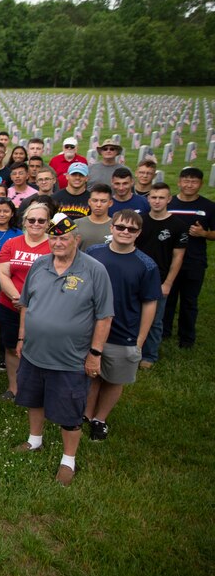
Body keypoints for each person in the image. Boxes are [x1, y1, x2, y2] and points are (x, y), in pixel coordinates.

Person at [13, 213, 113, 486]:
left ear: (76, 240)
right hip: (34, 351)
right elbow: (27, 305)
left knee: (69, 411)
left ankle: (68, 460)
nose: (58, 243)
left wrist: (95, 353)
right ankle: (35, 441)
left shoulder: (94, 270)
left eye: (64, 238)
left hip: (71, 357)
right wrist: (22, 338)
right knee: (33, 398)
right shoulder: (40, 265)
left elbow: (104, 317)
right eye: (54, 238)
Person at [83, 211, 160, 441]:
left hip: (124, 331)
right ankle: (85, 415)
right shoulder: (93, 253)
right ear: (111, 228)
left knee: (114, 379)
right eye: (121, 227)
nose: (125, 232)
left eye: (132, 229)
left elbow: (149, 304)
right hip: (91, 328)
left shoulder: (146, 265)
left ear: (139, 233)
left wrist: (140, 340)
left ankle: (101, 419)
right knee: (92, 374)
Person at [0, 201, 53, 400]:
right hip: (10, 304)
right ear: (24, 221)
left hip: (43, 308)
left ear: (48, 223)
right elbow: (2, 273)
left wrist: (30, 301)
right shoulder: (12, 243)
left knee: (40, 349)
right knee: (12, 347)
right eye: (31, 220)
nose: (36, 223)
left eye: (41, 220)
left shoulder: (54, 245)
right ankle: (14, 388)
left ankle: (39, 388)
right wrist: (17, 298)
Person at [136, 182, 187, 368]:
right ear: (148, 199)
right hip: (137, 276)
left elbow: (178, 256)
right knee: (134, 315)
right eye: (153, 197)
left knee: (155, 319)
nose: (157, 201)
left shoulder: (177, 225)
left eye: (161, 198)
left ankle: (149, 355)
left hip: (160, 277)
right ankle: (133, 351)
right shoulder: (140, 221)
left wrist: (168, 283)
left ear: (169, 199)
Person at [164, 166, 215, 349]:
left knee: (189, 301)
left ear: (200, 184)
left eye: (194, 182)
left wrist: (204, 233)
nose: (189, 185)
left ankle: (186, 337)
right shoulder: (169, 204)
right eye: (186, 181)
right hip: (168, 260)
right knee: (167, 298)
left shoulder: (208, 207)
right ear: (179, 182)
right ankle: (164, 331)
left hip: (194, 260)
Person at [74, 184, 114, 250]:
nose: (98, 205)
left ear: (110, 203)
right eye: (95, 200)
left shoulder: (117, 226)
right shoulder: (77, 224)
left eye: (103, 201)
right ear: (89, 202)